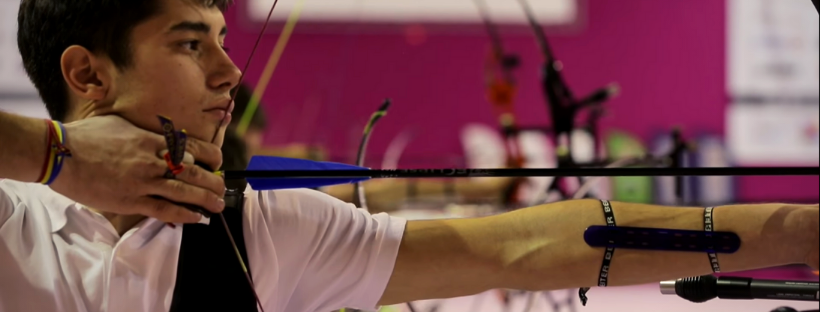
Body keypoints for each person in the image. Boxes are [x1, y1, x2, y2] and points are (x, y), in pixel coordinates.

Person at [0, 1, 817, 312]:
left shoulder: (265, 231)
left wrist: (799, 235)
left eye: (222, 38)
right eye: (190, 42)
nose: (230, 71)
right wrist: (57, 156)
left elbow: (531, 244)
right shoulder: (13, 221)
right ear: (86, 75)